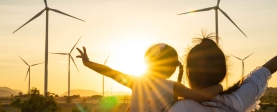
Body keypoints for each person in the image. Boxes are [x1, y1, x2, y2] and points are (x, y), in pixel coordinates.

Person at [165, 28, 277, 112]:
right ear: (222, 72)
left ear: (188, 72)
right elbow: (267, 70)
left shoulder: (178, 108)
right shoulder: (236, 101)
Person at [76, 43, 223, 112]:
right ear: (171, 67)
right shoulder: (173, 86)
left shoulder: (136, 81)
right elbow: (200, 96)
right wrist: (219, 86)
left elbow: (109, 71)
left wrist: (87, 63)